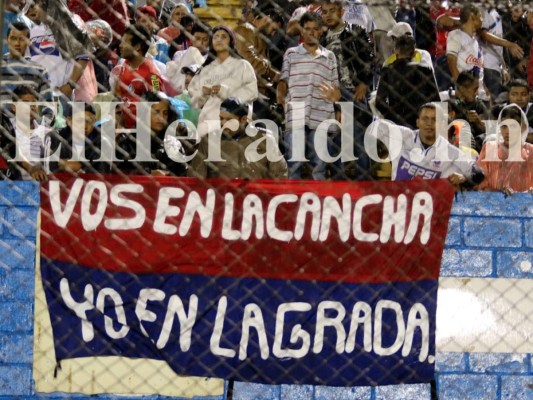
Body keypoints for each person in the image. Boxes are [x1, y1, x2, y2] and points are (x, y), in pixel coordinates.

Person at [277, 11, 340, 180]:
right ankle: (292, 200)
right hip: (296, 111)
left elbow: (336, 90)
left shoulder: (330, 57)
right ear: (302, 31)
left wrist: (335, 97)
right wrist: (282, 99)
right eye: (307, 28)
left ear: (321, 31)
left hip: (322, 113)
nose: (311, 32)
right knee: (294, 163)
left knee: (319, 166)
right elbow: (283, 80)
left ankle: (318, 200)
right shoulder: (291, 53)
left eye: (315, 29)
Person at [369, 102, 484, 187]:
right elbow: (371, 123)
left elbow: (478, 173)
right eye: (425, 119)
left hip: (430, 209)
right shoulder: (402, 135)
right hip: (398, 203)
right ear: (417, 122)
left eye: (434, 119)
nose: (429, 124)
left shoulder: (450, 152)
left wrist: (463, 177)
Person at [188, 97, 287, 179]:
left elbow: (280, 175)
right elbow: (196, 178)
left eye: (229, 119)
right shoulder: (209, 141)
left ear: (243, 119)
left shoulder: (265, 140)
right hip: (222, 200)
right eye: (221, 118)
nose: (223, 123)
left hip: (256, 200)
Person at [188, 25, 258, 140]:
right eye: (215, 37)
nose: (219, 40)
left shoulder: (242, 65)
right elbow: (193, 95)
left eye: (224, 37)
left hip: (234, 125)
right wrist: (202, 93)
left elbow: (252, 92)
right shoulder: (205, 69)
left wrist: (225, 91)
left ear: (231, 41)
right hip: (208, 123)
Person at [114, 92, 187, 176]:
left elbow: (183, 175)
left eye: (165, 113)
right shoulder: (128, 142)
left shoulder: (174, 144)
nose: (161, 118)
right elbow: (118, 173)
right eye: (156, 112)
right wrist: (149, 173)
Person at [376, 35, 439, 129]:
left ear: (396, 51)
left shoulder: (388, 70)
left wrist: (392, 118)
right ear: (414, 53)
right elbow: (436, 100)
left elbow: (379, 102)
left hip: (397, 123)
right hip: (421, 123)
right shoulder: (425, 70)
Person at [110, 24, 166, 129]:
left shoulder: (153, 75)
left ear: (137, 46)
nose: (120, 45)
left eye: (125, 42)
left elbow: (159, 105)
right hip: (124, 127)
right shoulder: (125, 64)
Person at [234, 6, 282, 119]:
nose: (273, 34)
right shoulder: (246, 29)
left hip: (255, 93)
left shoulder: (257, 35)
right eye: (274, 29)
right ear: (267, 19)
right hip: (246, 93)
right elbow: (248, 58)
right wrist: (273, 75)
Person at [476, 104, 533, 194]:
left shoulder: (531, 151)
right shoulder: (489, 148)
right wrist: (500, 193)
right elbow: (479, 182)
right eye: (504, 126)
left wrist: (519, 195)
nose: (507, 132)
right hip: (491, 204)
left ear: (523, 128)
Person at [44, 103, 112, 174]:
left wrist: (80, 168)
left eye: (89, 121)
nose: (85, 127)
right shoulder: (55, 138)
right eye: (80, 121)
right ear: (69, 120)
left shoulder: (102, 143)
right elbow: (49, 170)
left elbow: (103, 175)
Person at [1, 21, 52, 102]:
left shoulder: (40, 71)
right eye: (13, 38)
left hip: (29, 114)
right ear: (7, 40)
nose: (17, 43)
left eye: (21, 39)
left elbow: (48, 104)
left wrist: (45, 115)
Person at [449, 71, 489, 152]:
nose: (477, 93)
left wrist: (477, 121)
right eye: (474, 89)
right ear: (463, 89)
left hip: (476, 145)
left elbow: (487, 130)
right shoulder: (450, 103)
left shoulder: (479, 105)